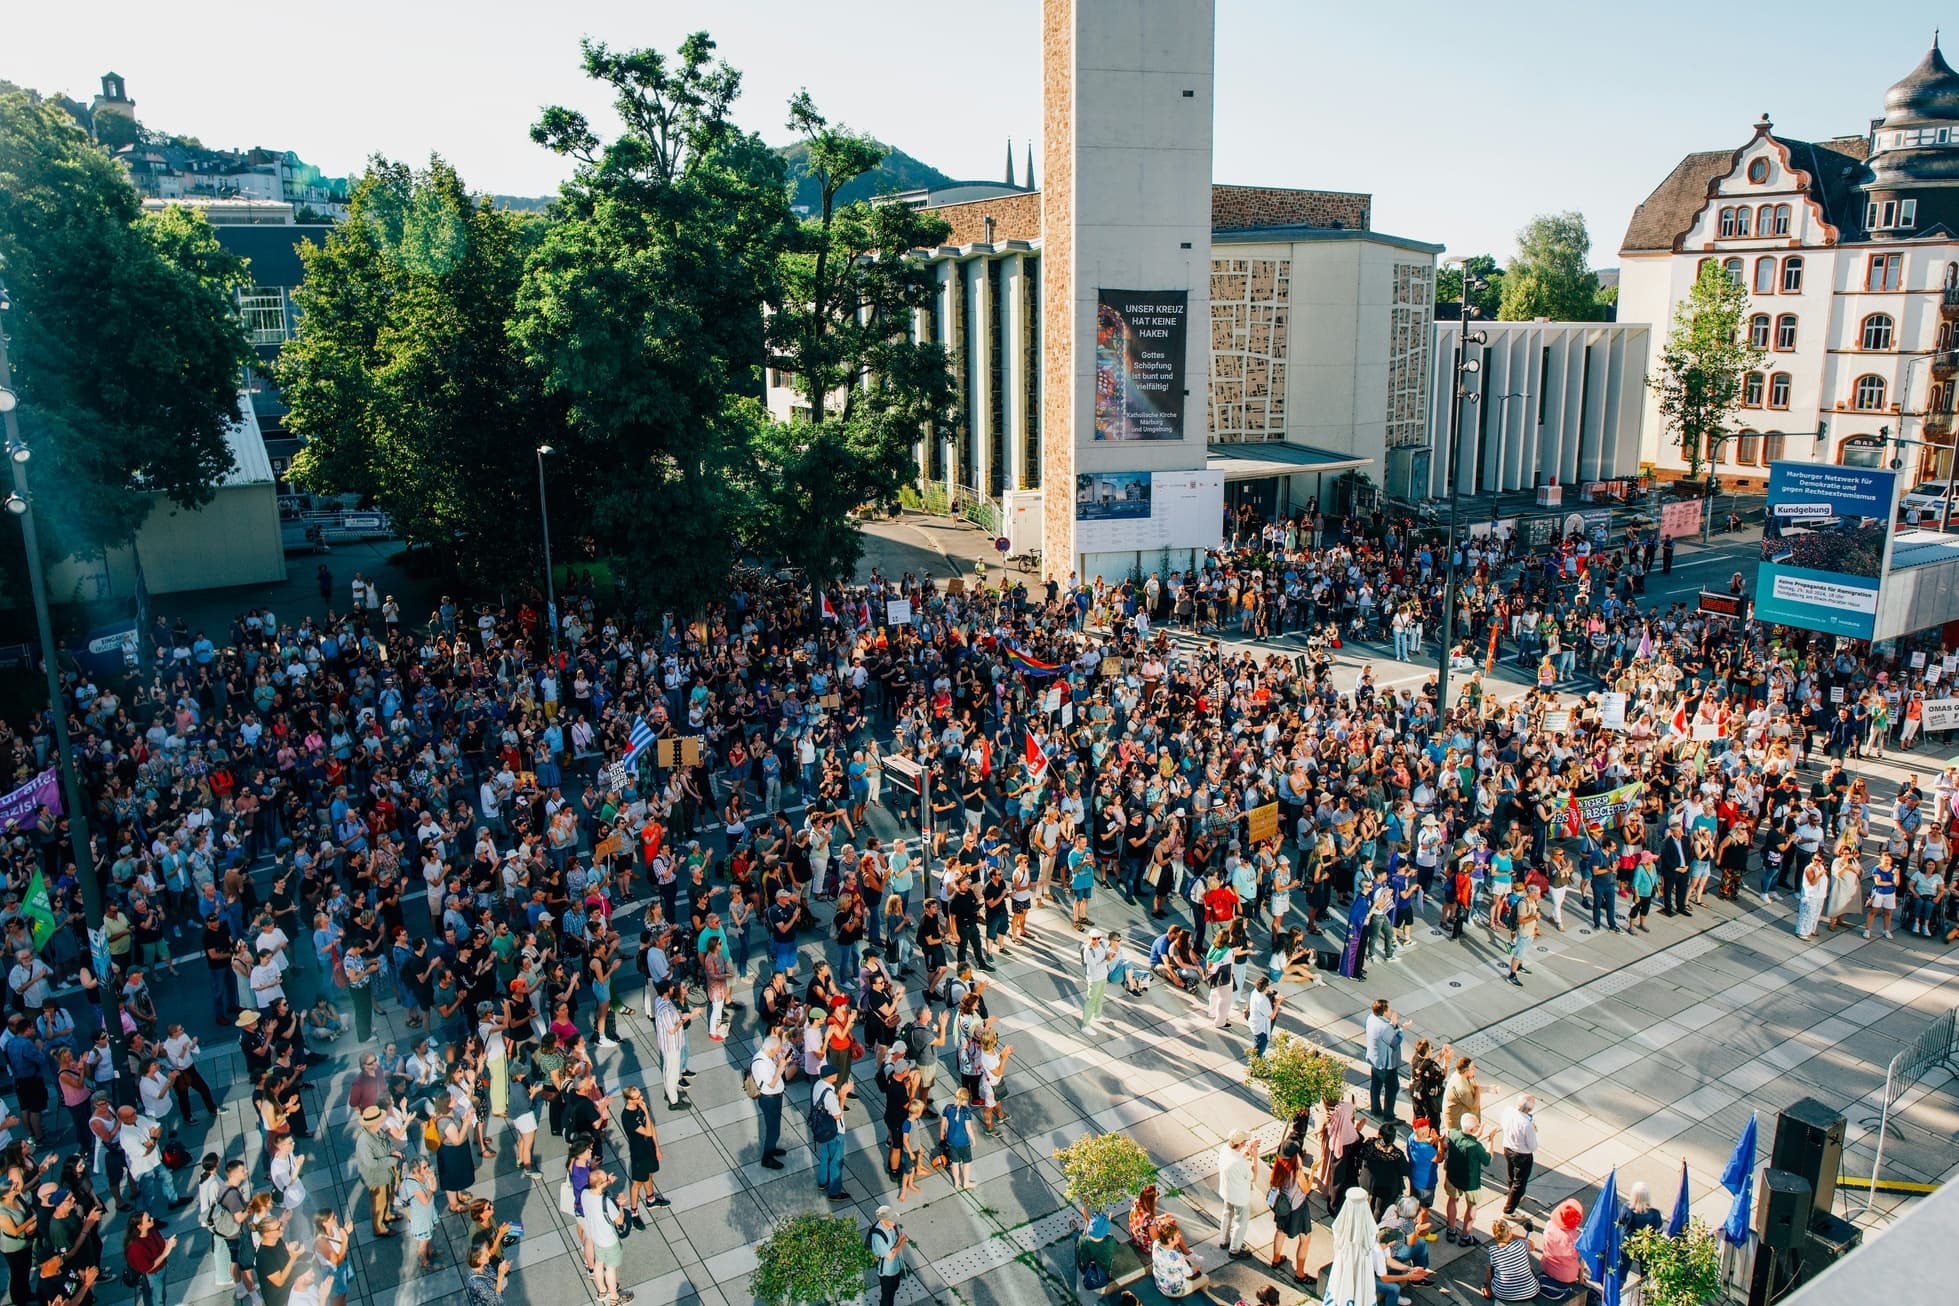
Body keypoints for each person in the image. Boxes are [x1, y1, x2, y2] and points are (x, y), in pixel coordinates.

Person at [1444, 1113, 1498, 1246]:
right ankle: (1465, 1237)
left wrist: (1476, 1133)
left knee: (1452, 1200)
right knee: (1472, 1207)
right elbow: (1488, 1160)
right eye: (1477, 1126)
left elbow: (1464, 1137)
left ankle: (1451, 1230)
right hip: (1470, 1183)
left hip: (1453, 1176)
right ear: (1473, 1130)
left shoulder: (1453, 1133)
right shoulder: (1475, 1147)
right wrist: (1491, 1139)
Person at [1215, 1129, 1258, 1258]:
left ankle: (1224, 1240)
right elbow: (1253, 1177)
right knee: (1240, 1222)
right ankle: (1234, 1250)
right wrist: (1254, 1157)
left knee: (1227, 1214)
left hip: (1226, 1192)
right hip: (1240, 1197)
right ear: (1241, 1144)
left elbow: (1237, 1158)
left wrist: (1246, 1154)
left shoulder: (1225, 1150)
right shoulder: (1241, 1163)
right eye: (1245, 1142)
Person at [810, 1067, 851, 1202]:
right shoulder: (829, 1095)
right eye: (835, 1074)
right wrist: (842, 1097)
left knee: (825, 1155)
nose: (837, 1075)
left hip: (822, 1128)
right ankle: (834, 1192)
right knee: (836, 1161)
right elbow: (837, 1115)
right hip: (835, 1131)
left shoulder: (818, 1085)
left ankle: (823, 1181)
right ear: (830, 1076)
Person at [1538, 1199, 1589, 1304]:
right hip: (1567, 1276)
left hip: (1547, 1266)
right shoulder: (1576, 1238)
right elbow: (1580, 1255)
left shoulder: (1549, 1225)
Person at [1366, 999, 1409, 1120]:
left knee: (1376, 1085)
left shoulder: (1371, 1018)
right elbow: (1394, 1042)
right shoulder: (1384, 1027)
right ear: (1384, 1011)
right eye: (1389, 1009)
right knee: (1392, 1088)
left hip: (1375, 1060)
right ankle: (1389, 1116)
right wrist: (1398, 1028)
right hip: (1386, 1064)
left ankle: (1375, 1109)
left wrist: (1392, 1025)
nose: (1391, 1011)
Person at [121, 1208, 175, 1306]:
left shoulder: (151, 1229)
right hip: (152, 1275)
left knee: (160, 1295)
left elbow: (159, 1242)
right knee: (157, 1299)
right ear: (140, 1226)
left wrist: (168, 1243)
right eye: (148, 1219)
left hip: (161, 1268)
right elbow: (147, 1267)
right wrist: (165, 1253)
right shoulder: (136, 1247)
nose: (152, 1219)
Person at [1499, 1095, 1539, 1218]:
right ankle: (1509, 1210)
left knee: (1511, 1174)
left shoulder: (1508, 1112)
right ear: (1530, 1109)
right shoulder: (1526, 1124)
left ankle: (1513, 1194)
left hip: (1507, 1148)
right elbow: (1532, 1146)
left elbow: (1503, 1125)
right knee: (1520, 1183)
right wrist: (1534, 1130)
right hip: (1522, 1154)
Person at [1484, 1218, 1541, 1302]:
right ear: (1509, 1232)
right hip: (1531, 1292)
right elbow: (1532, 1245)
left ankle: (1486, 1289)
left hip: (1502, 1294)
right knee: (1528, 1266)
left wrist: (1489, 1286)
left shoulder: (1493, 1251)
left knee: (1492, 1268)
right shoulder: (1520, 1244)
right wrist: (1513, 1235)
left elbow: (1490, 1273)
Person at [1151, 1221, 1207, 1298]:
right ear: (1170, 1239)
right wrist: (1196, 1268)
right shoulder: (1176, 1257)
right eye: (1177, 1235)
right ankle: (1205, 1297)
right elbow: (1189, 1273)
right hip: (1173, 1291)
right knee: (1205, 1278)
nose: (1180, 1236)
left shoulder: (1156, 1244)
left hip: (1160, 1283)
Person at [868, 1207, 909, 1306]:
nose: (894, 1223)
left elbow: (895, 1245)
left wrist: (900, 1239)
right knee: (887, 1297)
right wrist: (902, 1241)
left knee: (894, 1288)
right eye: (891, 1220)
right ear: (882, 1220)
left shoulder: (891, 1226)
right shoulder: (878, 1236)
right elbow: (890, 1256)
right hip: (887, 1272)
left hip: (895, 1266)